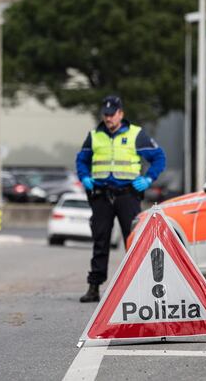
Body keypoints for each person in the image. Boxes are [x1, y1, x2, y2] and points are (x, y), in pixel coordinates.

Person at [75, 95, 166, 302]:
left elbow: (159, 157)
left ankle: (141, 287)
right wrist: (85, 177)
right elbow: (81, 160)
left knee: (133, 241)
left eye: (112, 114)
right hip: (101, 196)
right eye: (105, 114)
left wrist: (148, 178)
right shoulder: (94, 135)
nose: (108, 118)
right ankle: (94, 286)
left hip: (127, 195)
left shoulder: (137, 134)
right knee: (100, 241)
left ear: (121, 114)